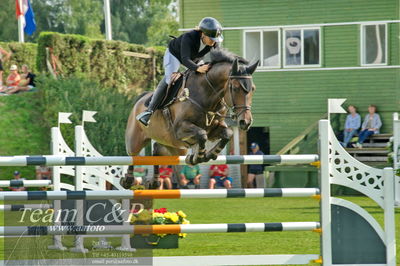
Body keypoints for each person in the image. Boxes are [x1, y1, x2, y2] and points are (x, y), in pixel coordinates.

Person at [136, 17, 224, 127]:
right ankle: (149, 111)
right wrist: (197, 68)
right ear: (202, 34)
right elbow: (185, 59)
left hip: (193, 59)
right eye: (211, 39)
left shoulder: (214, 43)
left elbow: (217, 58)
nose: (213, 42)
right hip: (175, 56)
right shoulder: (189, 37)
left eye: (215, 40)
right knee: (170, 79)